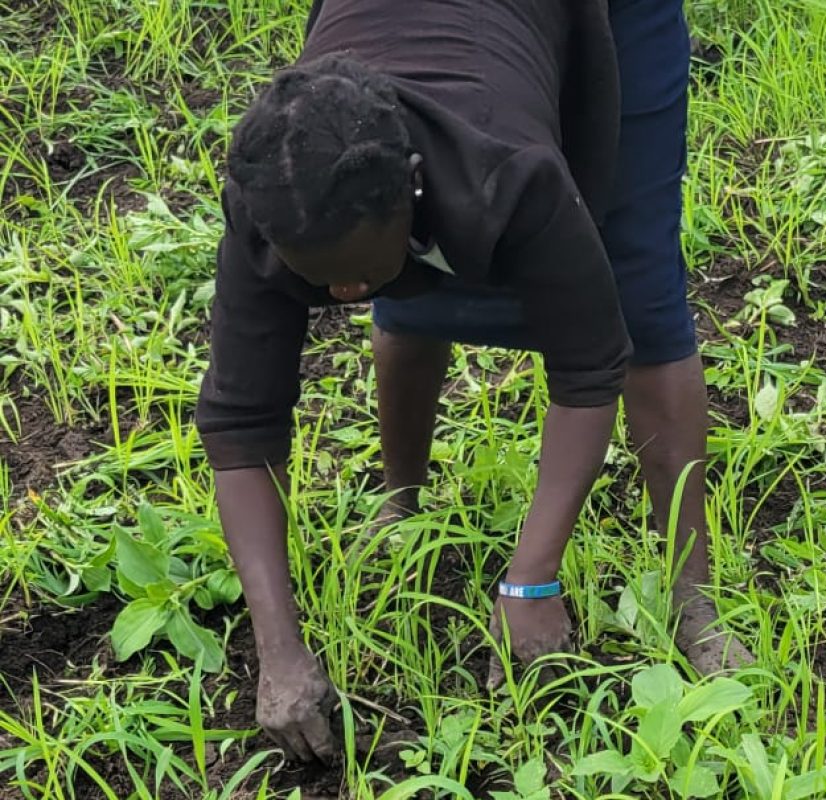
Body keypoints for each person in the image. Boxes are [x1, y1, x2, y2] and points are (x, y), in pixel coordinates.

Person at [196, 0, 752, 764]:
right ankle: (403, 507)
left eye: (357, 275)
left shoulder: (509, 176)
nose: (347, 300)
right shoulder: (282, 191)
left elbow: (591, 365)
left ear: (415, 185)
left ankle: (693, 596)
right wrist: (278, 650)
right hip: (422, 51)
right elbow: (239, 420)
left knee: (638, 292)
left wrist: (531, 579)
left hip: (593, 22)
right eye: (321, 282)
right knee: (405, 290)